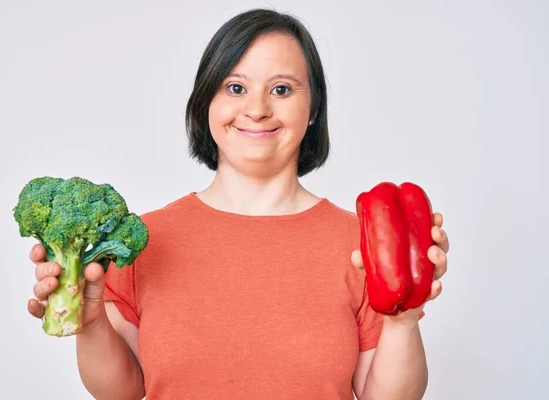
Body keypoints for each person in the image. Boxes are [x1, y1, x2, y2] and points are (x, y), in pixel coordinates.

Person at [27, 8, 449, 400]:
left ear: (314, 106)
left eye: (281, 89)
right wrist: (93, 322)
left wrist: (402, 320)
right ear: (207, 101)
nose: (257, 109)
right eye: (235, 87)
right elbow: (122, 392)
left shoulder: (360, 246)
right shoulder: (144, 240)